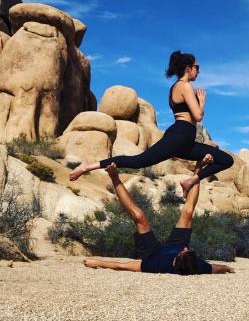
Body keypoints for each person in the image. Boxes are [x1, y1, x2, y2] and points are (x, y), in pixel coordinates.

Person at [69, 50, 234, 198]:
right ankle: (87, 167)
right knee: (138, 161)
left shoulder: (175, 88)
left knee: (226, 160)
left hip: (185, 140)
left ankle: (190, 182)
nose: (199, 71)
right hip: (180, 136)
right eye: (197, 67)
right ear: (188, 68)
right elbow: (198, 116)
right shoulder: (185, 86)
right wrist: (202, 102)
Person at [83, 161, 235, 274]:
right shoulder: (197, 265)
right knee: (188, 213)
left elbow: (122, 266)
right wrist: (226, 268)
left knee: (139, 216)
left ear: (175, 260)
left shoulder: (156, 265)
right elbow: (216, 267)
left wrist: (97, 262)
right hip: (175, 245)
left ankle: (114, 176)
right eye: (188, 250)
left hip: (152, 252)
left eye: (184, 251)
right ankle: (198, 171)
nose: (186, 247)